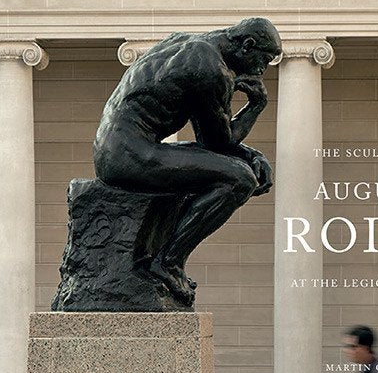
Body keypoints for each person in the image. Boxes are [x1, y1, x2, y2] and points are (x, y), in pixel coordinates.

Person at [92, 17, 281, 304]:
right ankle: (169, 261)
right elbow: (218, 143)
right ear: (247, 45)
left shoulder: (186, 43)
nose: (261, 70)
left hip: (118, 147)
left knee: (236, 168)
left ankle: (163, 259)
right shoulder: (211, 69)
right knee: (239, 179)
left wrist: (250, 153)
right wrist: (256, 105)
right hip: (127, 155)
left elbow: (213, 143)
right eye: (263, 60)